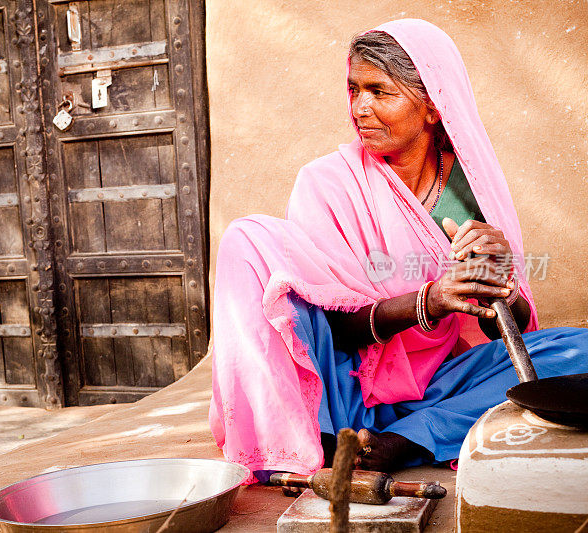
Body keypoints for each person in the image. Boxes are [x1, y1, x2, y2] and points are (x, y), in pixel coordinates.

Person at [208, 19, 588, 484]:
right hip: (342, 389)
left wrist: (500, 286)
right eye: (354, 90)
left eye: (379, 92)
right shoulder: (327, 182)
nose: (360, 108)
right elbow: (336, 331)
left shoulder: (470, 190)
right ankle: (321, 441)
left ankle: (408, 438)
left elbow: (511, 330)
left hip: (436, 385)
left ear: (431, 107)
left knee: (578, 350)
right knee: (248, 238)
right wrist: (428, 302)